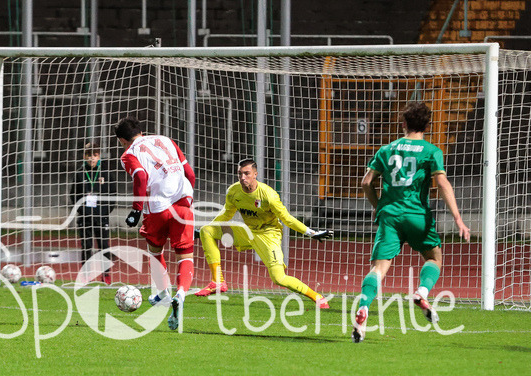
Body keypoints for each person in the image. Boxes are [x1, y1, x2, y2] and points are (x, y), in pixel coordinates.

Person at [352, 101, 470, 343]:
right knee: (433, 258)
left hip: (391, 217)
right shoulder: (431, 151)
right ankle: (421, 292)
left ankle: (363, 308)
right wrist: (458, 218)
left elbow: (366, 183)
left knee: (378, 268)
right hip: (418, 216)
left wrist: (380, 207)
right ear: (428, 125)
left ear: (403, 123)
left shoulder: (386, 149)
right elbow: (443, 183)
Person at [196, 158, 333, 308]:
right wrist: (208, 228)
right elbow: (226, 214)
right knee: (207, 231)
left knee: (279, 278)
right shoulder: (234, 191)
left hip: (269, 235)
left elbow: (286, 218)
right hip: (248, 232)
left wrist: (311, 233)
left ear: (255, 174)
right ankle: (218, 281)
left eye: (247, 174)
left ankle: (317, 297)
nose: (243, 178)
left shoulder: (268, 195)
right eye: (239, 174)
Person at [115, 115, 195, 331]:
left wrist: (136, 210)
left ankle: (163, 292)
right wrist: (189, 204)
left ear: (122, 140)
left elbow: (141, 177)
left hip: (157, 208)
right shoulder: (166, 140)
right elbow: (189, 173)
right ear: (140, 131)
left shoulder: (129, 154)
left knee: (155, 251)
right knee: (185, 255)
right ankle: (180, 293)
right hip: (183, 203)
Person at [70, 141, 113, 284]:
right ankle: (85, 275)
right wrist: (82, 210)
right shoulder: (79, 174)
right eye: (89, 155)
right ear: (84, 156)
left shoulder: (106, 173)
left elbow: (113, 194)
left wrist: (106, 211)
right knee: (86, 246)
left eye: (94, 155)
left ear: (99, 156)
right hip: (85, 218)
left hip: (101, 217)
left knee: (104, 246)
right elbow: (73, 195)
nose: (91, 159)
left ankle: (106, 275)